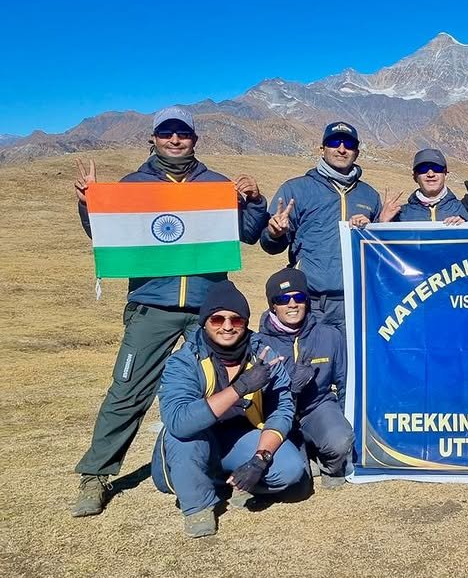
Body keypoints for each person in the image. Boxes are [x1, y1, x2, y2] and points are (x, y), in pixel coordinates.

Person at [71, 106, 269, 517]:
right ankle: (96, 475)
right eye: (166, 133)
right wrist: (91, 204)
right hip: (151, 306)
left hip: (209, 309)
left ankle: (218, 464)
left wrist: (253, 199)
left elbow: (249, 234)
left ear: (195, 139)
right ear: (154, 138)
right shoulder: (133, 185)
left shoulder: (217, 185)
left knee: (221, 389)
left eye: (183, 133)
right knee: (128, 390)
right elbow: (106, 236)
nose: (175, 140)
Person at [151, 281, 307, 538]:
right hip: (196, 438)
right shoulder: (184, 360)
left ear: (245, 323)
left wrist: (260, 459)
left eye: (236, 320)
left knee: (290, 470)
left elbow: (282, 410)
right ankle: (198, 506)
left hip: (241, 434)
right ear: (204, 322)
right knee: (185, 438)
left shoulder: (265, 355)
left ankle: (233, 478)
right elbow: (178, 421)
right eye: (217, 319)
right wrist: (241, 387)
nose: (226, 326)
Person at [260, 122, 382, 330]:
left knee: (353, 362)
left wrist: (378, 226)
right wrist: (274, 233)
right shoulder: (297, 189)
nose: (341, 149)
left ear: (357, 152)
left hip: (358, 301)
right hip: (312, 302)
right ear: (322, 149)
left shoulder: (369, 195)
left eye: (349, 144)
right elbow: (271, 246)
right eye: (334, 142)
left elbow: (380, 252)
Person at [259, 268, 354, 489]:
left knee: (340, 440)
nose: (292, 304)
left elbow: (344, 383)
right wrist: (290, 386)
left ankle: (329, 463)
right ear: (273, 305)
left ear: (307, 301)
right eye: (283, 299)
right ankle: (303, 457)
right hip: (279, 413)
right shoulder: (259, 342)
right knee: (297, 479)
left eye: (298, 297)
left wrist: (344, 423)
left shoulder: (330, 335)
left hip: (317, 406)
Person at [378, 149, 468, 224]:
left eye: (436, 168)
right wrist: (382, 223)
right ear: (415, 176)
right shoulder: (401, 214)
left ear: (445, 173)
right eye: (423, 169)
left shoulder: (463, 209)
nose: (430, 174)